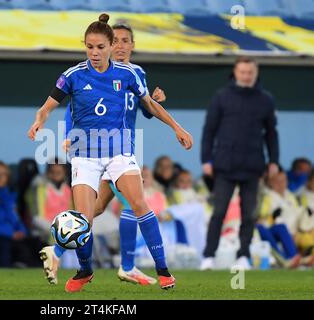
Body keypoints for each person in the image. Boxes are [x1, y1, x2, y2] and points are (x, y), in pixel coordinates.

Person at [28, 14, 193, 292]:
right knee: (85, 218)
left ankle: (163, 271)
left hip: (119, 150)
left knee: (138, 204)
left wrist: (177, 127)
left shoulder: (127, 74)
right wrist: (39, 120)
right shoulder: (73, 75)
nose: (95, 53)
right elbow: (49, 105)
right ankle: (84, 270)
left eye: (100, 47)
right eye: (89, 47)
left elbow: (150, 106)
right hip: (85, 154)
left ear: (110, 46)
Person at [200, 56, 280, 270]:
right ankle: (208, 256)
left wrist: (274, 161)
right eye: (242, 72)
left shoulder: (266, 100)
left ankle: (243, 255)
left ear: (255, 73)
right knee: (219, 212)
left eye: (250, 72)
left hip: (253, 165)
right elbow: (209, 131)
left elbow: (271, 134)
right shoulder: (221, 97)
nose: (246, 76)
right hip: (224, 165)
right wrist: (206, 159)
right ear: (235, 72)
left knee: (249, 214)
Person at [257, 171, 302, 268]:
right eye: (278, 181)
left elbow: (299, 215)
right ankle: (283, 259)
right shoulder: (266, 196)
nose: (282, 184)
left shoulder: (291, 196)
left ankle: (294, 259)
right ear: (271, 183)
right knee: (279, 227)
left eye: (284, 180)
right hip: (271, 229)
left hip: (293, 231)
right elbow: (261, 217)